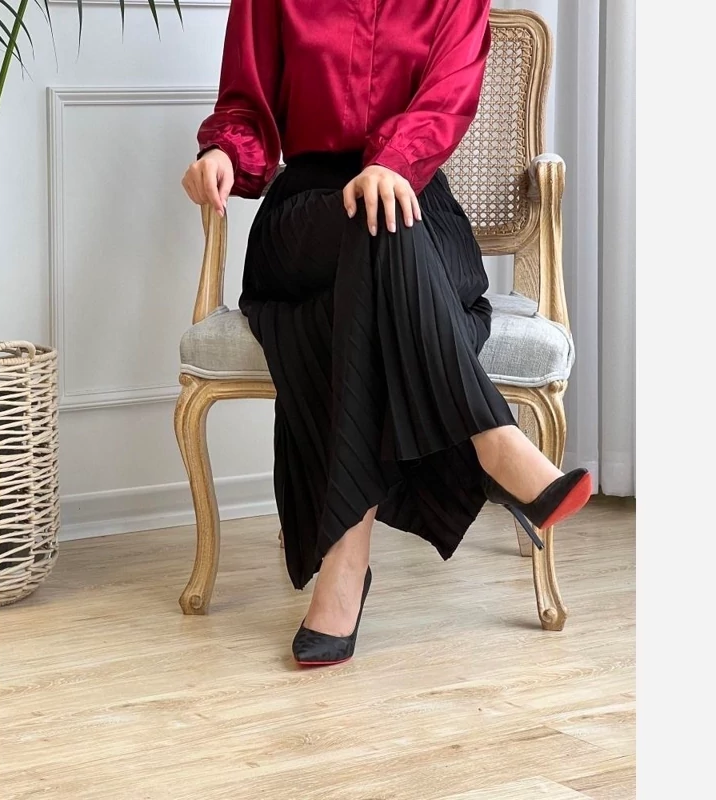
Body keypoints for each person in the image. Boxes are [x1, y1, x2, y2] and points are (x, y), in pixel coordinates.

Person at [182, 0, 592, 667]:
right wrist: (222, 152)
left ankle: (346, 562)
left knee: (382, 220)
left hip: (419, 207)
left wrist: (392, 163)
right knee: (370, 221)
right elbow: (245, 108)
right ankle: (492, 441)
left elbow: (446, 101)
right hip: (309, 216)